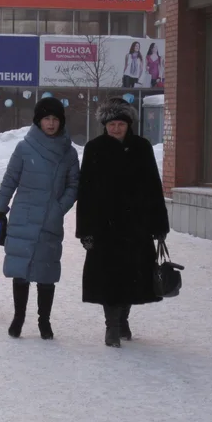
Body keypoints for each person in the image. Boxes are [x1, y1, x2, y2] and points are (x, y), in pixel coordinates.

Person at [75, 98, 169, 348]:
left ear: (128, 125)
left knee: (134, 277)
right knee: (109, 279)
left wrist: (159, 225)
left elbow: (153, 188)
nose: (116, 128)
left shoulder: (142, 147)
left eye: (120, 124)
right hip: (104, 228)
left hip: (136, 227)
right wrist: (85, 231)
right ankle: (111, 327)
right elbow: (85, 192)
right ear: (104, 125)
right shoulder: (94, 148)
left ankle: (123, 319)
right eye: (111, 124)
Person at [0, 97, 79, 340]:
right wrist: (0, 207)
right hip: (23, 215)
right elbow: (10, 179)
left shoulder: (68, 153)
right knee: (21, 270)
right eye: (46, 119)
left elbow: (74, 186)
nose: (51, 124)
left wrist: (58, 208)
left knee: (46, 272)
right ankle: (18, 317)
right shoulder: (24, 147)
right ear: (38, 121)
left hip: (50, 220)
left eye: (55, 119)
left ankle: (44, 321)